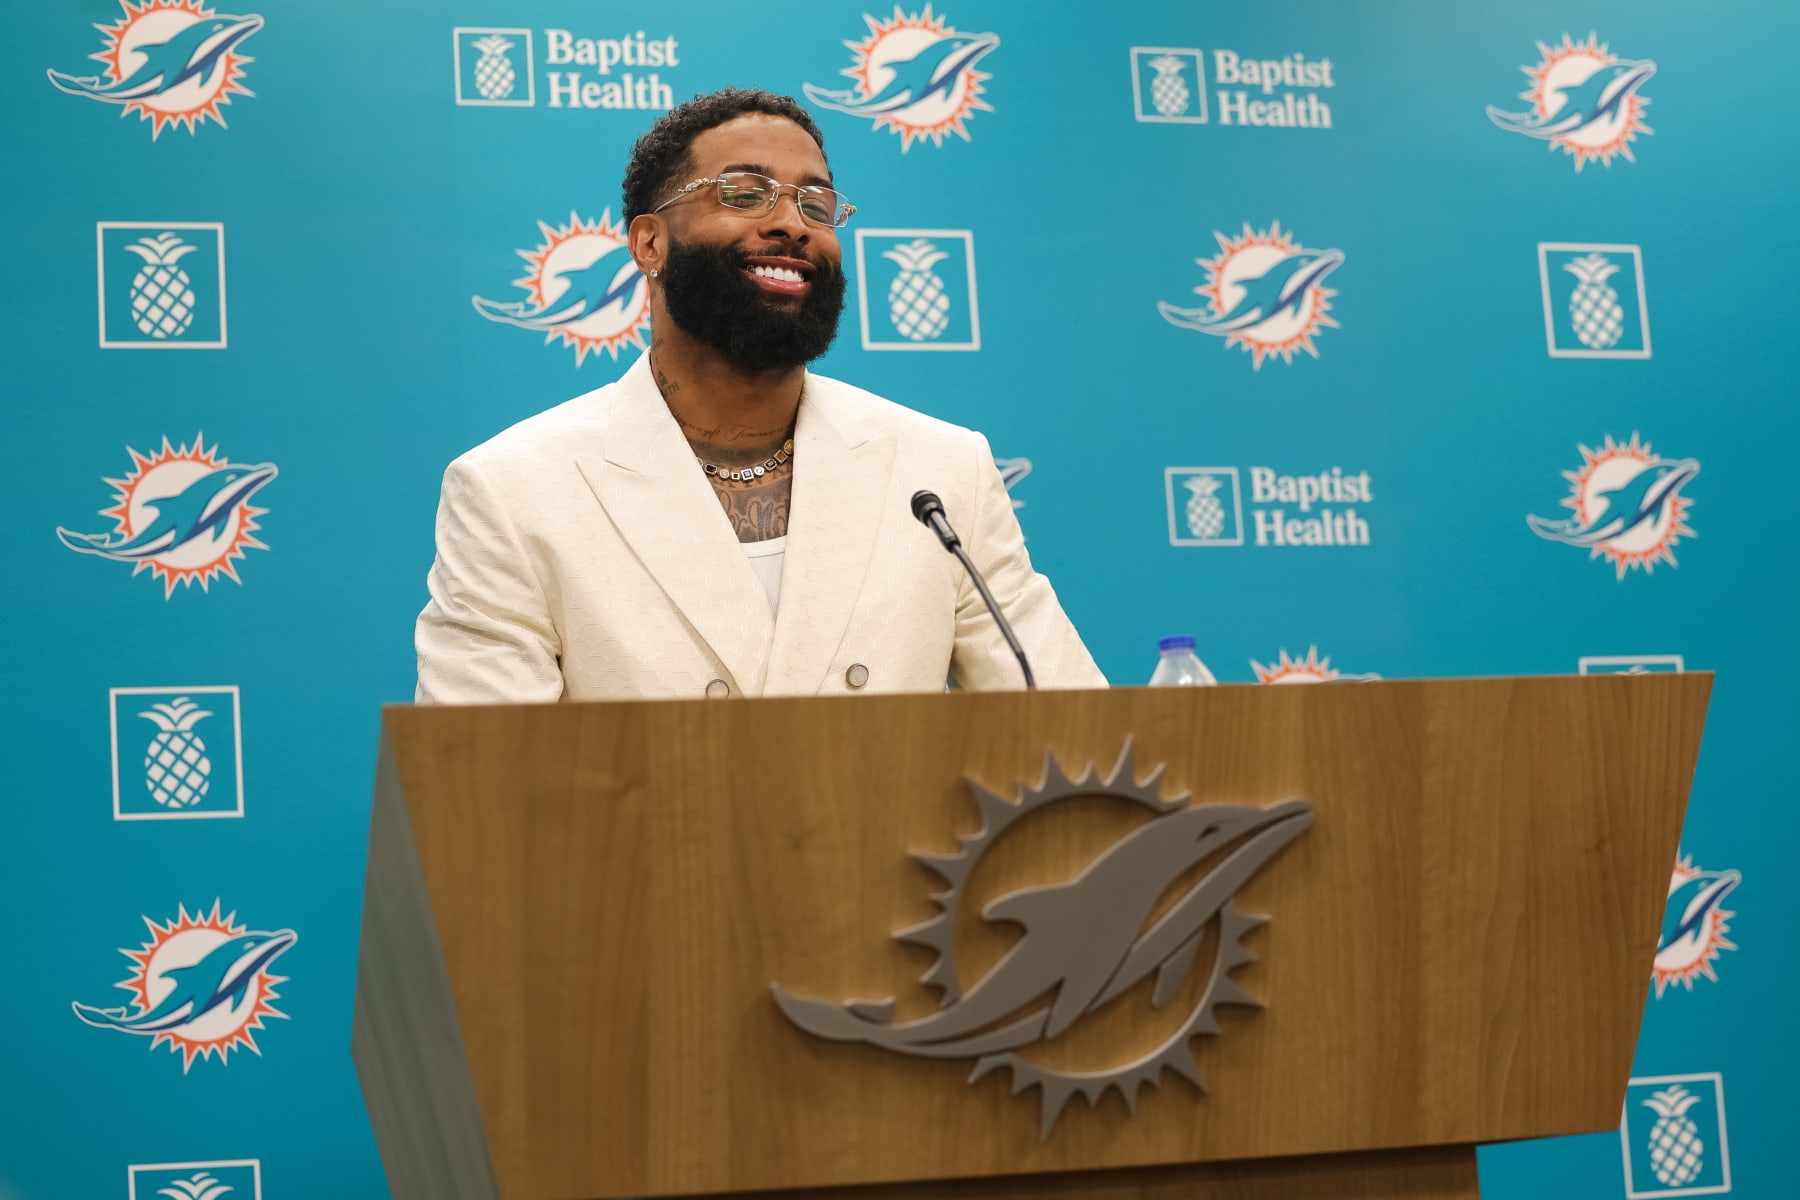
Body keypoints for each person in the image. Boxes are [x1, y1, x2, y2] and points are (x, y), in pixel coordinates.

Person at [415, 88, 1104, 703]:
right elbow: (485, 798)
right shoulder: (514, 491)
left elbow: (1072, 726)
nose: (793, 224)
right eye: (744, 194)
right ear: (650, 243)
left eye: (817, 202)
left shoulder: (941, 469)